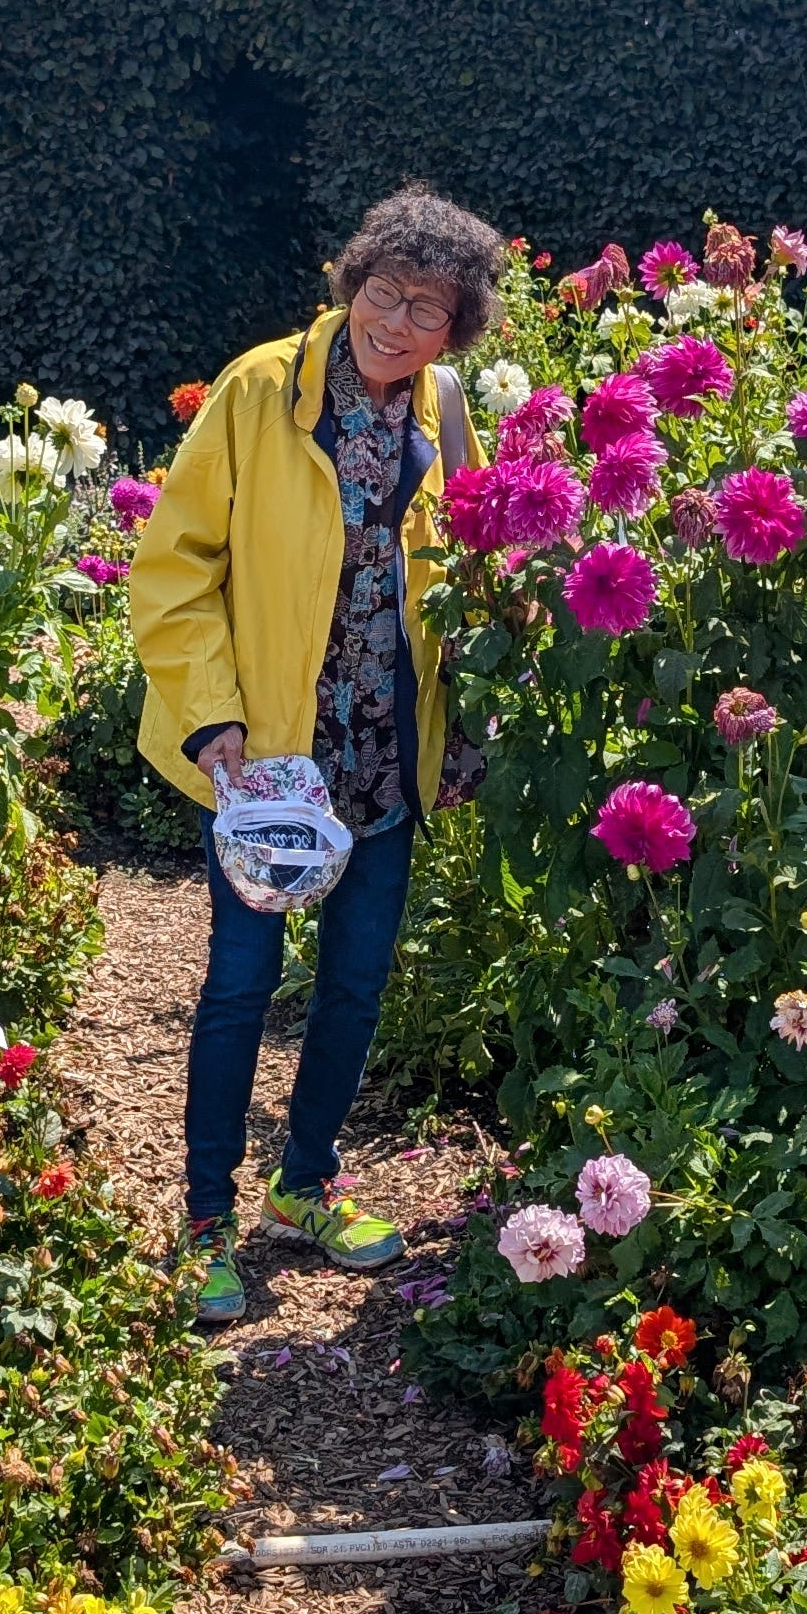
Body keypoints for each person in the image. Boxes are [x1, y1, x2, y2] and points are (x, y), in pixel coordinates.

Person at [127, 189, 503, 1322]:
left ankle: (305, 1185)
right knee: (241, 984)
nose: (398, 322)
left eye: (428, 309)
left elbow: (476, 560)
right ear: (353, 282)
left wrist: (473, 713)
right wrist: (211, 716)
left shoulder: (441, 407)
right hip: (268, 759)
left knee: (355, 981)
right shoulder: (259, 391)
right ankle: (207, 1218)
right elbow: (175, 568)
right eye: (386, 292)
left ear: (456, 328)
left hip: (384, 746)